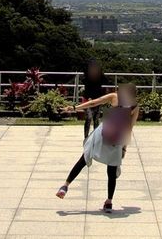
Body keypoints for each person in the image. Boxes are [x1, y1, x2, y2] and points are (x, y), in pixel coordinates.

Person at [56, 83, 139, 213]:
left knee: (84, 159)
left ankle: (65, 186)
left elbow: (93, 103)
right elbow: (129, 129)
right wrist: (124, 148)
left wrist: (74, 107)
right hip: (117, 139)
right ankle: (109, 202)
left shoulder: (114, 96)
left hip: (103, 133)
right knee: (112, 171)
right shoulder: (135, 107)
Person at [80, 59, 107, 140]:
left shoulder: (100, 77)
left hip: (97, 100)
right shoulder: (86, 77)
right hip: (87, 100)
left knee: (96, 119)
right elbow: (84, 82)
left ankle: (96, 137)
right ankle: (86, 137)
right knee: (88, 118)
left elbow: (106, 82)